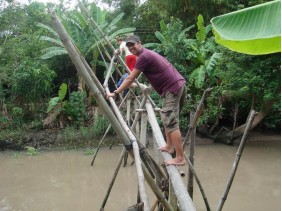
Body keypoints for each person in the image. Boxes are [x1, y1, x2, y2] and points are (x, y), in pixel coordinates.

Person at [108, 35, 187, 166]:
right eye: (128, 46)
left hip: (172, 88)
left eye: (133, 44)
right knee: (168, 118)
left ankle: (179, 158)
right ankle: (169, 146)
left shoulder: (143, 57)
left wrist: (115, 92)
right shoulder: (146, 54)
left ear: (140, 43)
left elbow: (130, 79)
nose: (131, 48)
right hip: (177, 85)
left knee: (171, 121)